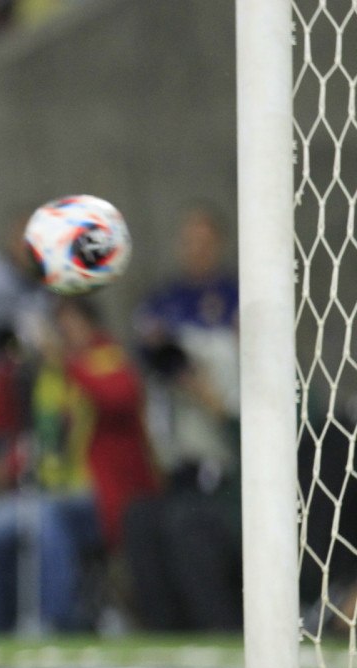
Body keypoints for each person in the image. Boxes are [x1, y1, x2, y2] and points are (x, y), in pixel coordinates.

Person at [0, 296, 161, 633]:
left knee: (44, 518)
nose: (63, 334)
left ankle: (55, 621)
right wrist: (9, 366)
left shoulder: (109, 360)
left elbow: (117, 399)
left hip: (101, 497)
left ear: (90, 326)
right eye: (59, 327)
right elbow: (21, 428)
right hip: (50, 492)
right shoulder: (47, 373)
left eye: (71, 325)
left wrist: (66, 361)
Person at [123, 204, 242, 631]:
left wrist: (208, 392)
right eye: (188, 241)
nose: (194, 250)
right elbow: (148, 365)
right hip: (179, 450)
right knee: (141, 519)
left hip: (228, 462)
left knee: (186, 524)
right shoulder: (163, 301)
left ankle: (220, 628)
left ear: (219, 244)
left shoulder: (236, 298)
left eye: (202, 242)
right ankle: (163, 631)